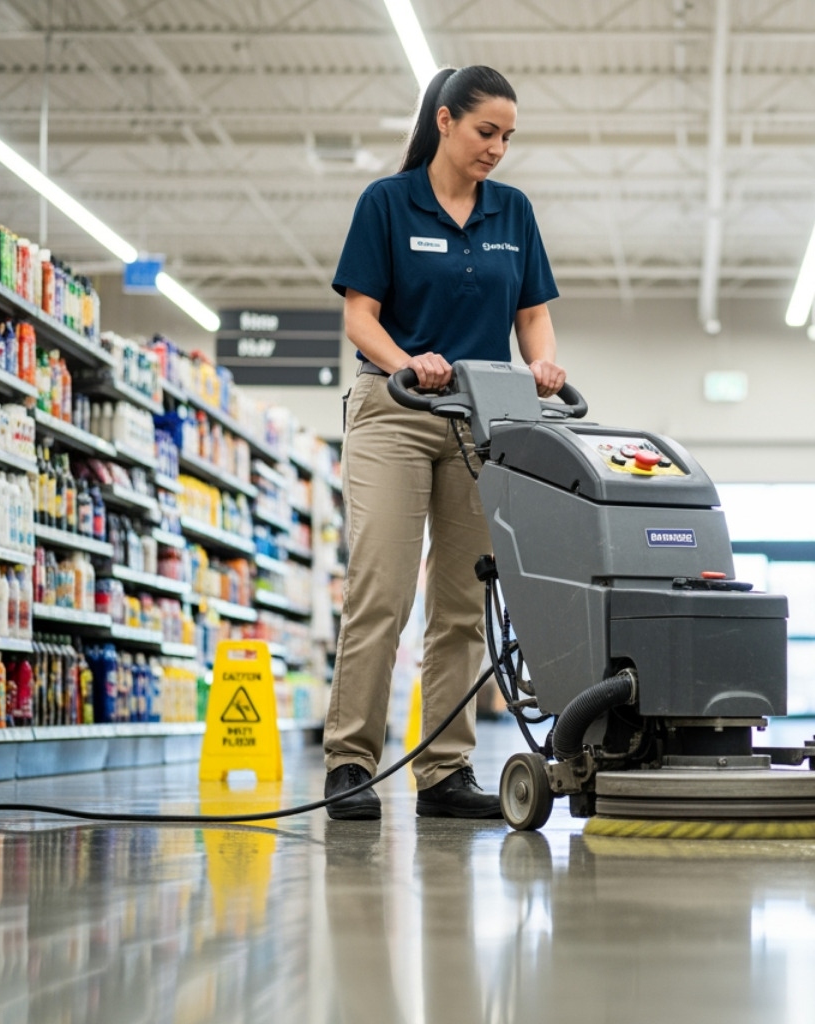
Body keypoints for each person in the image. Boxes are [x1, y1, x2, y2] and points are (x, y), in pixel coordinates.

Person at [324, 65, 565, 820]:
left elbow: (532, 314)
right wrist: (407, 362)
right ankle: (351, 762)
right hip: (393, 407)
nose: (498, 148)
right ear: (446, 123)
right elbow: (360, 318)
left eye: (508, 137)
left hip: (480, 418)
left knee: (465, 601)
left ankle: (444, 770)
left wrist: (544, 364)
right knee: (382, 590)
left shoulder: (513, 213)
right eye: (487, 131)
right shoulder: (388, 204)